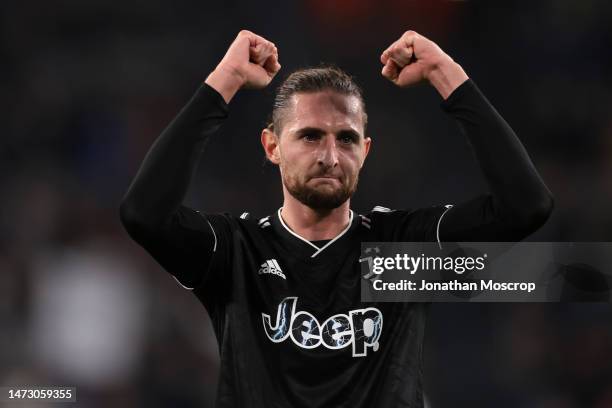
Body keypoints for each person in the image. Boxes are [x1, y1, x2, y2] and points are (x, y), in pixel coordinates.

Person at [120, 29, 553, 407]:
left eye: (345, 139)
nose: (330, 156)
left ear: (364, 152)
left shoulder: (398, 253)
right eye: (309, 136)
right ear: (272, 147)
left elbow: (526, 206)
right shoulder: (236, 251)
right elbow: (144, 213)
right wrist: (226, 80)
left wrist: (446, 73)